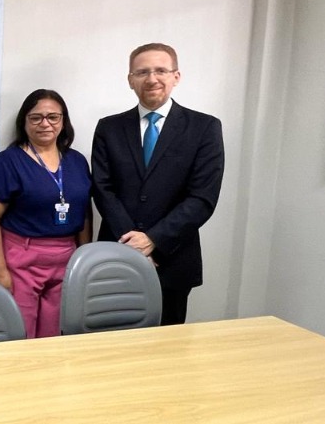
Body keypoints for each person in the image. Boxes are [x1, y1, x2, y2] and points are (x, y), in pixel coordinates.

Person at [92, 42, 225, 325]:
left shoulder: (204, 128)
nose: (152, 79)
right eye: (142, 72)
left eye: (161, 70)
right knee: (109, 348)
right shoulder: (109, 128)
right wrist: (132, 244)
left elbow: (202, 197)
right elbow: (103, 189)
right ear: (130, 80)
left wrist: (153, 240)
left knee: (166, 355)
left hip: (172, 260)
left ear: (176, 76)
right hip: (116, 255)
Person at [0, 89, 92, 338]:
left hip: (66, 257)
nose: (45, 124)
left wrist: (84, 258)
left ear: (63, 121)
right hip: (22, 258)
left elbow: (85, 212)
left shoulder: (76, 161)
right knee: (22, 332)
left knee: (56, 332)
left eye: (53, 117)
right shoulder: (8, 162)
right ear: (24, 122)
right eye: (36, 118)